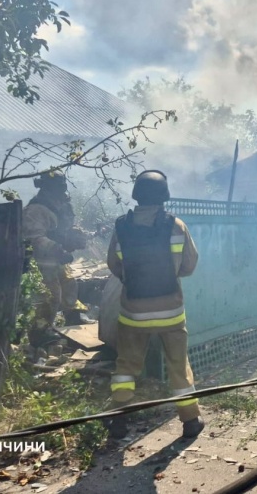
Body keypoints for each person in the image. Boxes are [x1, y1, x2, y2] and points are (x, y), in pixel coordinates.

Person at [105, 169, 204, 439]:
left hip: (133, 313)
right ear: (164, 196)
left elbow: (113, 264)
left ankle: (118, 420)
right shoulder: (176, 225)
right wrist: (170, 275)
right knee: (178, 365)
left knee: (126, 367)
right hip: (171, 312)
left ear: (136, 194)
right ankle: (191, 420)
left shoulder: (121, 226)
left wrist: (130, 279)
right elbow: (189, 265)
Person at [23, 171, 92, 348]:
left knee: (69, 283)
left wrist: (76, 236)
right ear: (46, 188)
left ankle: (73, 317)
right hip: (40, 261)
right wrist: (58, 249)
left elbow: (66, 228)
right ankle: (40, 332)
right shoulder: (36, 210)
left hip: (56, 259)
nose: (61, 192)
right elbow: (34, 238)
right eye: (57, 188)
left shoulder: (61, 205)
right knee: (50, 295)